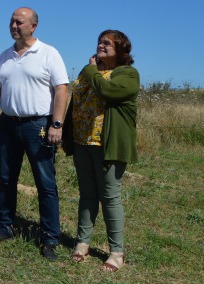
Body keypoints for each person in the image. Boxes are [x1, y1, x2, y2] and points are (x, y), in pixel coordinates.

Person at [0, 7, 69, 261]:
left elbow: (61, 90)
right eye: (11, 21)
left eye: (19, 22)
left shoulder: (48, 53)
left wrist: (57, 124)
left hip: (38, 126)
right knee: (6, 179)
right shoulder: (5, 56)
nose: (14, 25)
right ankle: (4, 227)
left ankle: (50, 238)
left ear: (34, 26)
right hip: (8, 125)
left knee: (45, 184)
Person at [63, 30, 139, 272]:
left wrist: (90, 70)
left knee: (109, 196)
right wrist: (67, 133)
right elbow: (76, 103)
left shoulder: (127, 74)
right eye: (100, 41)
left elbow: (108, 91)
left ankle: (117, 251)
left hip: (108, 145)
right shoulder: (90, 74)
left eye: (108, 43)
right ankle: (82, 243)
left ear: (121, 50)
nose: (101, 45)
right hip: (82, 141)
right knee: (86, 194)